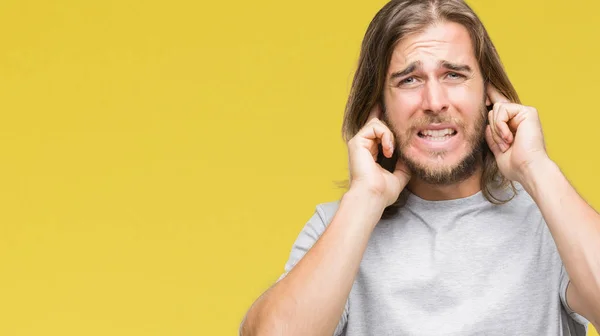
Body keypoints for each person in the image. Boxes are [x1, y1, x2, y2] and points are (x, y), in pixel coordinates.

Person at [239, 0, 600, 335]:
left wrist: (535, 166)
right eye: (409, 80)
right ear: (378, 107)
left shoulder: (551, 221)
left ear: (488, 96)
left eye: (454, 75)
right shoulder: (339, 229)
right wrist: (365, 197)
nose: (434, 102)